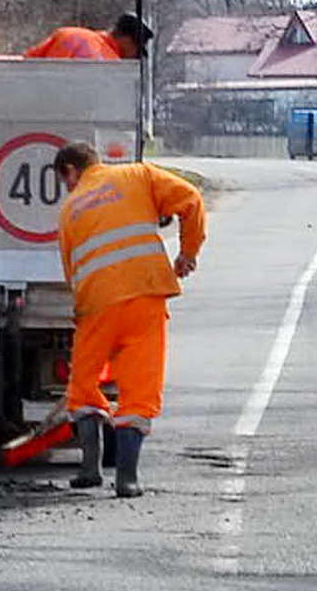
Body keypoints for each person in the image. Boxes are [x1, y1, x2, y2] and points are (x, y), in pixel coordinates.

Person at [49, 138, 204, 499]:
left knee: (82, 386)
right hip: (144, 296)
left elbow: (71, 270)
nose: (67, 187)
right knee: (139, 388)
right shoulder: (139, 175)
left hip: (96, 306)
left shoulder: (69, 209)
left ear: (71, 171)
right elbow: (191, 200)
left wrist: (82, 308)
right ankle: (127, 478)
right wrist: (187, 253)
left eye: (64, 180)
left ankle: (90, 469)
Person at [23, 13, 155, 59]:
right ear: (127, 40)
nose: (134, 56)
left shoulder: (69, 33)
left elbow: (27, 61)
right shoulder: (112, 66)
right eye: (137, 49)